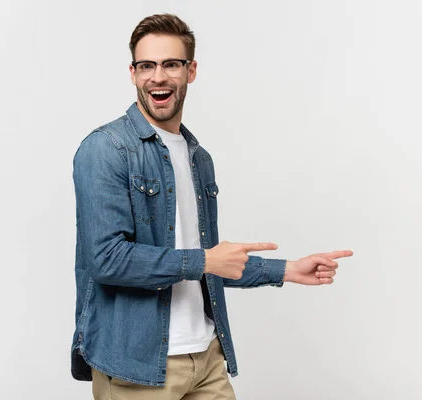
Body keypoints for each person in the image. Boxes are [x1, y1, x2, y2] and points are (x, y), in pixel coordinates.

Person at [70, 13, 353, 400]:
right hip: (138, 365)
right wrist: (203, 262)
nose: (158, 77)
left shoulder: (197, 157)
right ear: (133, 73)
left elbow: (213, 260)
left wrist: (287, 269)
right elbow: (106, 259)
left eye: (171, 64)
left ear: (191, 71)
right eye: (147, 65)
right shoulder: (106, 149)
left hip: (206, 356)